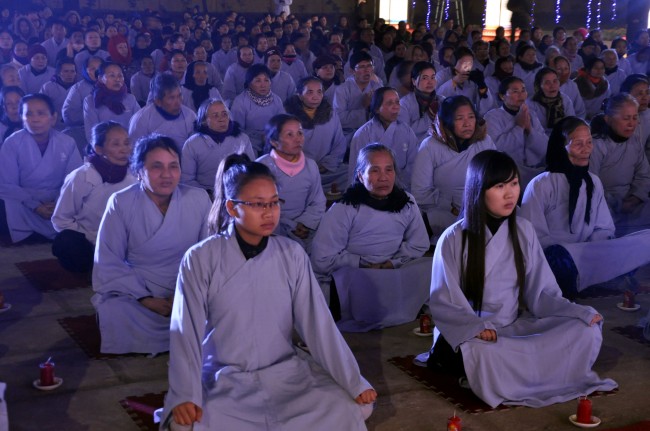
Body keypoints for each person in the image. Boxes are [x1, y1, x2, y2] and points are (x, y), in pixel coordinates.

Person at [160, 153, 376, 430]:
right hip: (225, 377)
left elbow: (319, 324)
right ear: (232, 207)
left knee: (355, 406)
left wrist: (353, 380)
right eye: (257, 204)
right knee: (186, 425)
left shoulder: (292, 253)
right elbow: (185, 331)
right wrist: (185, 394)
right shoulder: (201, 257)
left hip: (284, 372)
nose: (269, 212)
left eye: (274, 203)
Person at [422, 149, 618, 408]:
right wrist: (475, 328)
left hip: (512, 327)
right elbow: (445, 301)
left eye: (514, 183)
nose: (510, 193)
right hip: (472, 333)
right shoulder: (453, 238)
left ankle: (520, 367)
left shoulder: (523, 230)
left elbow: (542, 293)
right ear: (478, 190)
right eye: (499, 186)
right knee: (483, 352)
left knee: (584, 330)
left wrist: (576, 311)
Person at [92, 134, 211, 355]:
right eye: (157, 167)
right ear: (139, 171)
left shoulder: (199, 198)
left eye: (173, 166)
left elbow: (209, 255)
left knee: (223, 303)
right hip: (139, 288)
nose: (167, 175)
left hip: (188, 284)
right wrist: (146, 299)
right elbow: (108, 259)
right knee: (114, 309)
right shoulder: (121, 202)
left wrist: (184, 292)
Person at [521, 116, 650, 299]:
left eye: (589, 142)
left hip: (588, 255)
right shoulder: (541, 184)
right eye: (578, 144)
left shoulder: (593, 181)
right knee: (562, 257)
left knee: (645, 240)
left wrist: (593, 251)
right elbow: (532, 238)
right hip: (554, 261)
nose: (586, 149)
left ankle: (593, 275)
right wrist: (574, 253)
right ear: (561, 147)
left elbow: (604, 228)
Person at [311, 144, 430, 330]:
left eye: (389, 170)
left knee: (430, 266)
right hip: (357, 274)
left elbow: (419, 244)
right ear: (360, 175)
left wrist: (391, 263)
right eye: (375, 170)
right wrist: (362, 264)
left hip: (392, 270)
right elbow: (322, 259)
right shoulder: (345, 208)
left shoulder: (407, 202)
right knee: (349, 281)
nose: (383, 177)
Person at [52, 122, 136, 273]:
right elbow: (61, 219)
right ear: (98, 149)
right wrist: (93, 238)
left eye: (126, 143)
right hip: (89, 240)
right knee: (66, 241)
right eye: (116, 144)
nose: (124, 149)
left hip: (124, 240)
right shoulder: (81, 176)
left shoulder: (136, 175)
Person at [411, 95, 496, 243]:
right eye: (459, 118)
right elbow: (420, 193)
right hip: (444, 211)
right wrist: (450, 204)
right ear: (447, 122)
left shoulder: (484, 142)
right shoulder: (430, 146)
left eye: (471, 117)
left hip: (481, 207)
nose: (467, 123)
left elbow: (497, 177)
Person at [0, 94, 82, 243]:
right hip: (24, 202)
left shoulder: (67, 142)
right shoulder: (12, 143)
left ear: (53, 117)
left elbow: (74, 180)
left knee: (86, 200)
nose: (35, 119)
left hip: (58, 201)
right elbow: (7, 184)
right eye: (29, 114)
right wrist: (35, 206)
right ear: (22, 118)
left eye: (41, 113)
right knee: (6, 203)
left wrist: (58, 202)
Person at [257, 114, 326, 253]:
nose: (298, 139)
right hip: (271, 228)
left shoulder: (311, 165)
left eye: (300, 133)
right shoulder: (261, 168)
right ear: (274, 142)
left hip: (304, 228)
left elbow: (317, 201)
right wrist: (290, 226)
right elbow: (257, 208)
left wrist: (304, 223)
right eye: (290, 135)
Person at [589, 94, 650, 236]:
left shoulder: (635, 141)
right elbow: (591, 185)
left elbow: (644, 175)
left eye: (634, 118)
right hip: (603, 204)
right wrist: (617, 203)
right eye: (626, 118)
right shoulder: (596, 145)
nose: (631, 124)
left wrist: (636, 197)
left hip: (632, 201)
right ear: (608, 119)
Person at [284, 76, 348, 192]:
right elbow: (282, 146)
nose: (315, 97)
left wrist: (326, 164)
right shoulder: (287, 116)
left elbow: (339, 142)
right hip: (298, 169)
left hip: (326, 169)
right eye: (310, 92)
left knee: (349, 173)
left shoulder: (330, 114)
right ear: (300, 95)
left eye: (319, 92)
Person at [348, 86, 418, 190]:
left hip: (401, 188)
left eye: (397, 102)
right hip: (370, 189)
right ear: (377, 109)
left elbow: (413, 166)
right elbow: (356, 170)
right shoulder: (363, 134)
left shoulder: (407, 131)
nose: (395, 107)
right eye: (390, 103)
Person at [484, 76, 547, 190]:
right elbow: (495, 148)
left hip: (535, 169)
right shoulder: (492, 117)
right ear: (502, 96)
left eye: (523, 90)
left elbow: (544, 145)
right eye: (515, 91)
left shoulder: (531, 114)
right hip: (507, 172)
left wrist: (529, 129)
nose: (521, 95)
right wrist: (519, 127)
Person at [181, 98, 255, 194]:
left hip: (236, 192)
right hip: (204, 194)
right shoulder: (192, 144)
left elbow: (251, 170)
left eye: (224, 114)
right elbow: (187, 179)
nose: (221, 119)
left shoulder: (242, 139)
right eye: (215, 116)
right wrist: (207, 194)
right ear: (204, 121)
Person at [128, 74, 197, 149]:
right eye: (171, 98)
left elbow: (195, 148)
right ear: (158, 101)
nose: (178, 102)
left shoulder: (190, 116)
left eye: (179, 96)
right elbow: (134, 150)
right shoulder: (141, 119)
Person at [229, 64, 285, 155]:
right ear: (249, 83)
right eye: (258, 81)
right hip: (248, 143)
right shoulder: (240, 101)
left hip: (272, 141)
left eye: (266, 80)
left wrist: (270, 137)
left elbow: (282, 125)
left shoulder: (276, 100)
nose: (263, 85)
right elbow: (237, 130)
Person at [333, 51, 382, 144]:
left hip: (373, 132)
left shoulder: (377, 87)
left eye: (369, 66)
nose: (366, 70)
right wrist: (366, 110)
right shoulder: (343, 89)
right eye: (361, 67)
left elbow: (383, 115)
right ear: (352, 71)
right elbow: (339, 118)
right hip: (347, 134)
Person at [83, 62, 140, 142]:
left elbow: (139, 126)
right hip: (105, 146)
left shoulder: (130, 99)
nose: (117, 79)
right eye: (112, 75)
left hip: (129, 145)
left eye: (120, 76)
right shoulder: (91, 101)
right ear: (100, 79)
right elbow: (91, 134)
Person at [437, 47, 495, 117]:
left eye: (470, 63)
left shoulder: (473, 77)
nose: (467, 67)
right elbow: (438, 98)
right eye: (463, 63)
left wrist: (482, 86)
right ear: (454, 62)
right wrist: (454, 81)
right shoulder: (442, 76)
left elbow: (484, 108)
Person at [398, 61, 444, 142]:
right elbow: (404, 132)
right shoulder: (404, 104)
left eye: (433, 77)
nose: (430, 82)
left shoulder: (442, 101)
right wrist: (430, 116)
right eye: (424, 78)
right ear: (414, 81)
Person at [528, 67, 576, 135]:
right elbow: (533, 131)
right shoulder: (531, 104)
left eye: (555, 81)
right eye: (547, 83)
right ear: (539, 85)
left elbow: (571, 124)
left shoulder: (565, 100)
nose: (552, 86)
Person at [39, 59, 76, 131]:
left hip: (74, 128)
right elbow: (40, 107)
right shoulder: (48, 87)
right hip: (52, 127)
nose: (69, 74)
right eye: (66, 71)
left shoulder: (78, 88)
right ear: (58, 73)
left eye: (72, 71)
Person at [620, 74, 650, 160]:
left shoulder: (648, 115)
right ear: (626, 95)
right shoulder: (615, 117)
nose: (645, 98)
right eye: (640, 94)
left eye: (647, 93)